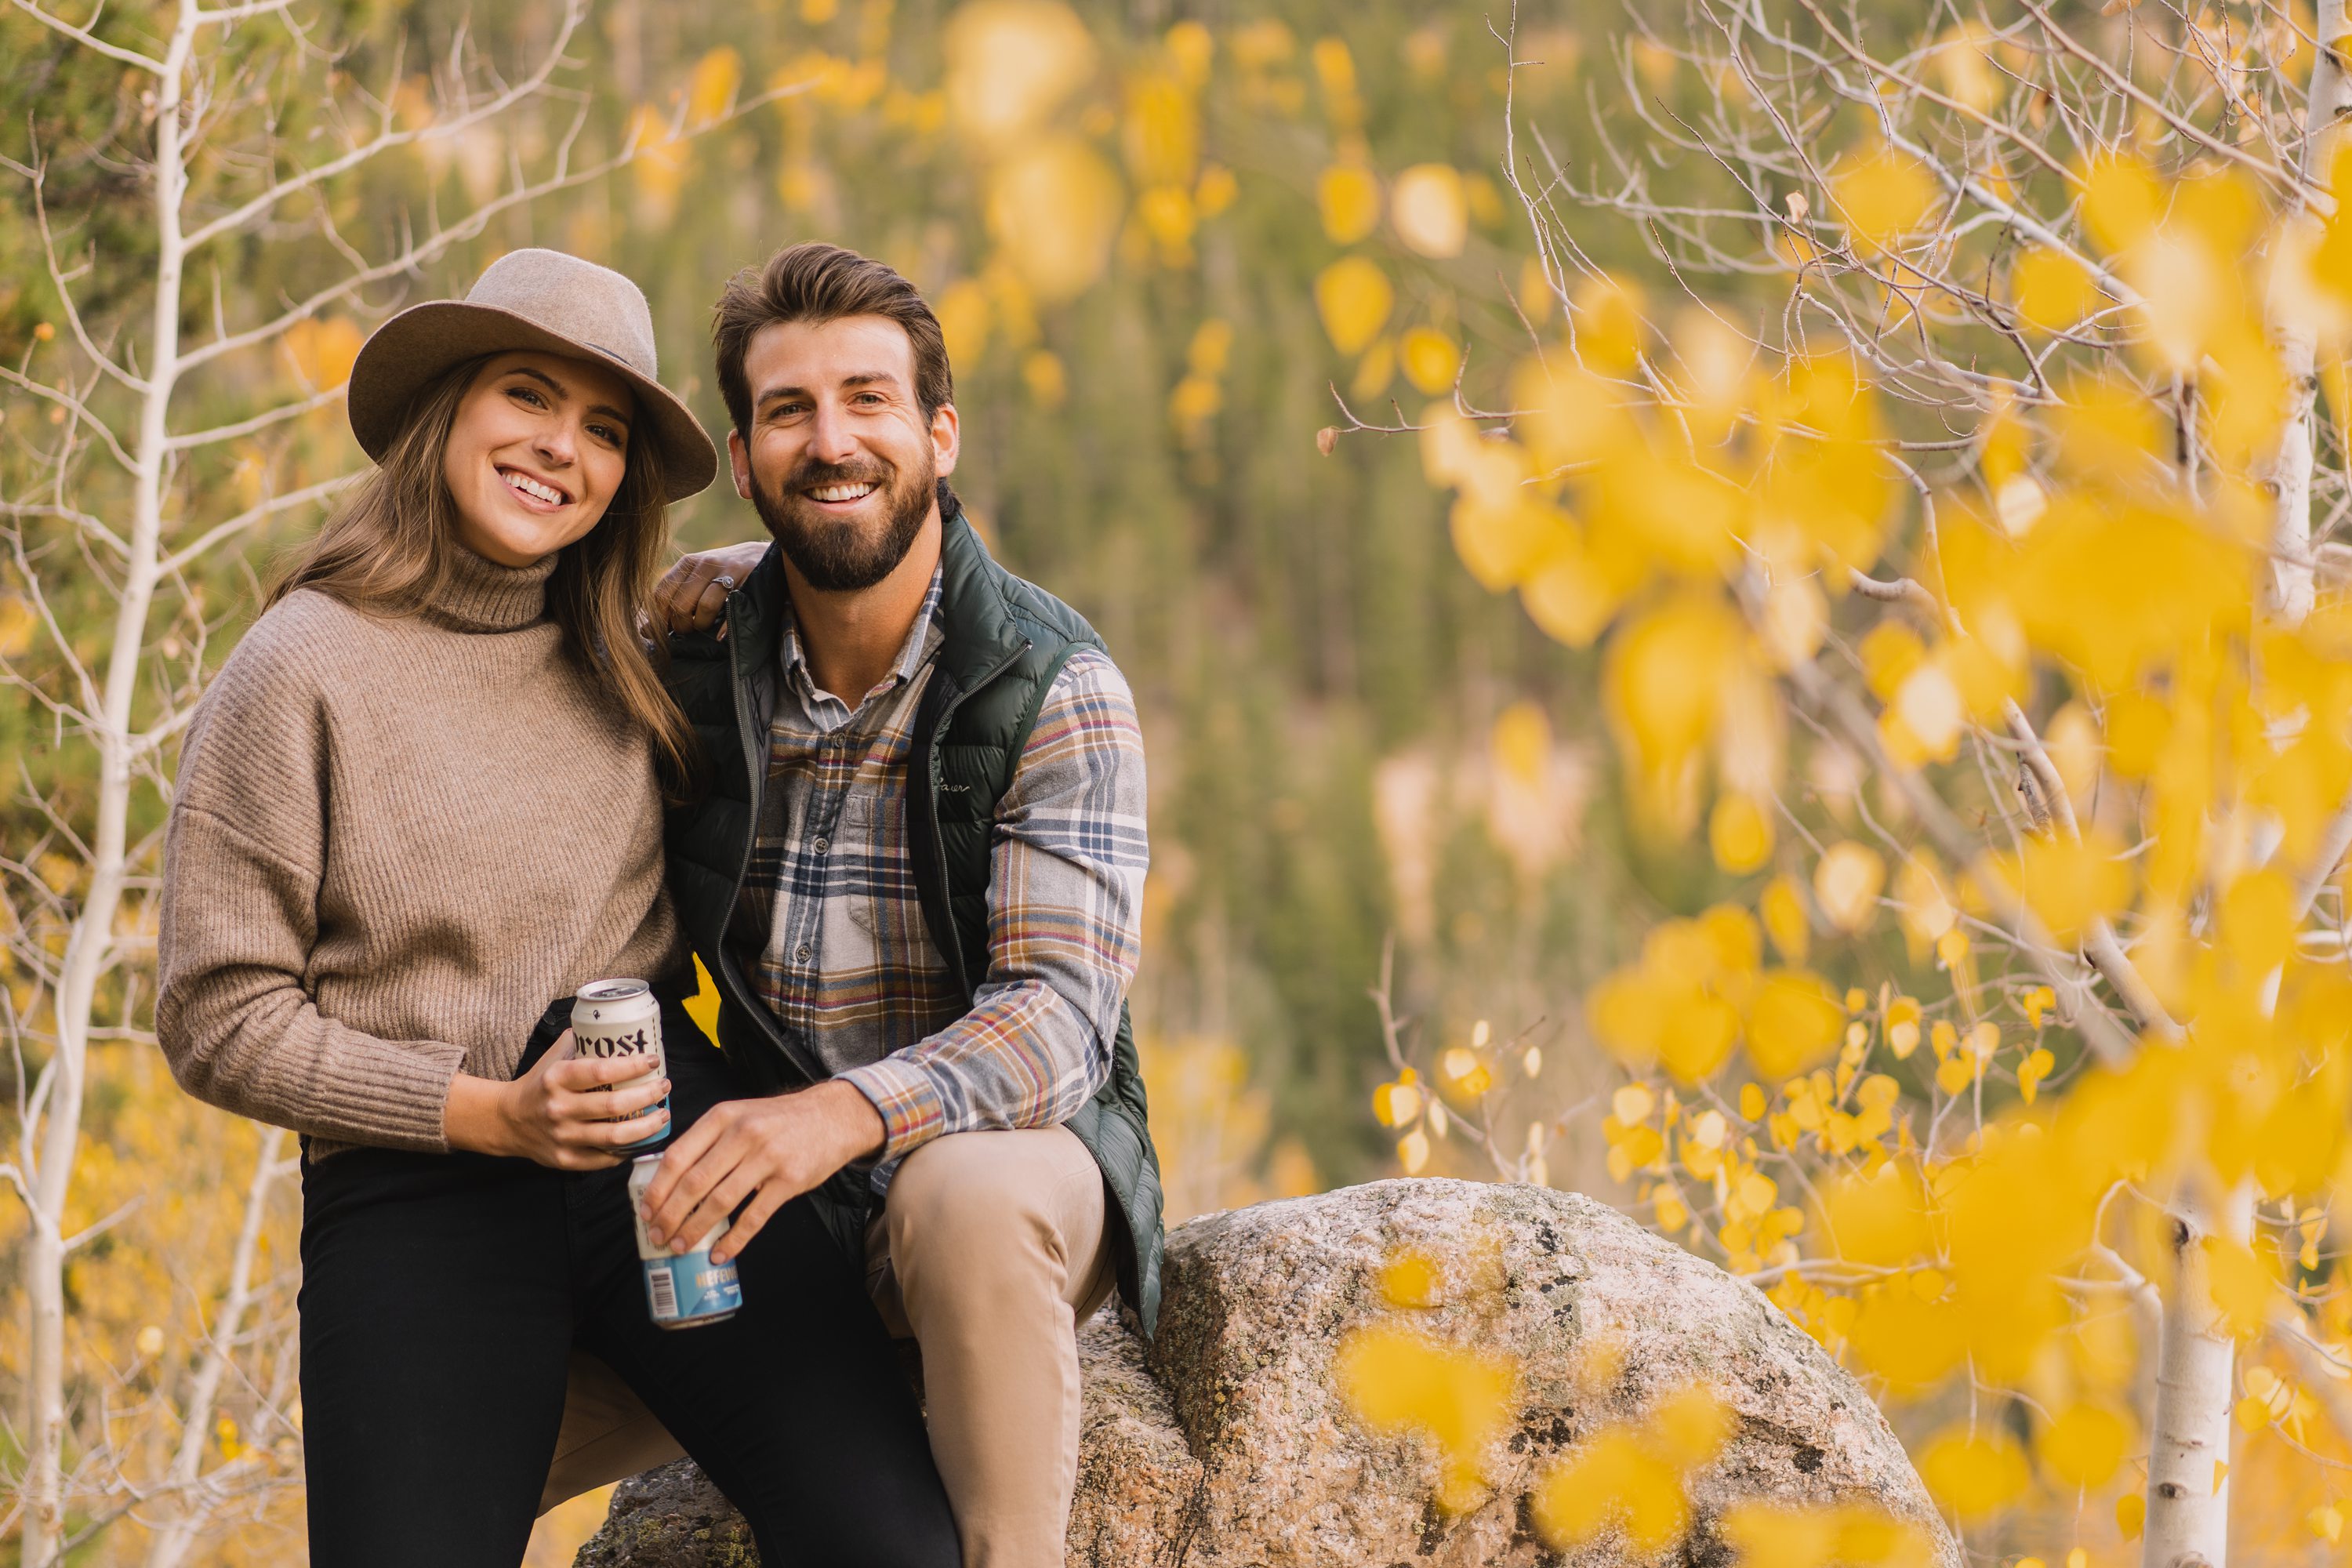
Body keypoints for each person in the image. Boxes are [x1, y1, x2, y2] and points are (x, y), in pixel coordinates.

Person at [154, 249, 960, 1568]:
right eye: (528, 398)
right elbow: (213, 1016)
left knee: (894, 1543)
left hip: (666, 1146)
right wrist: (487, 1115)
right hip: (426, 1183)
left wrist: (736, 570)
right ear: (449, 412)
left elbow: (860, 572)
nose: (558, 451)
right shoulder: (299, 667)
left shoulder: (629, 651)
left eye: (601, 431)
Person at [542, 241, 1164, 1566]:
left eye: (869, 400)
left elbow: (1059, 1025)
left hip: (1004, 1175)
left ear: (941, 435)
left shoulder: (1052, 685)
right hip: (774, 1210)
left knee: (963, 1194)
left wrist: (840, 1119)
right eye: (791, 412)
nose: (833, 442)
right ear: (746, 452)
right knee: (454, 1399)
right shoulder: (701, 658)